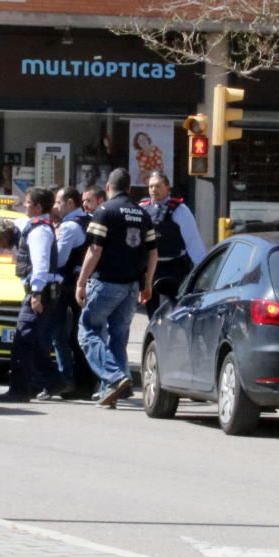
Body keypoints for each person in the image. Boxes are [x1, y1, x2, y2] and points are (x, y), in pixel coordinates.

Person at [76, 168, 157, 408]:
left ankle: (114, 378)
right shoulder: (143, 214)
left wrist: (81, 282)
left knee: (87, 330)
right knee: (118, 337)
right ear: (130, 189)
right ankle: (112, 391)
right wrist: (148, 282)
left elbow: (95, 250)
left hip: (107, 283)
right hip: (132, 286)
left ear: (109, 187)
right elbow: (153, 252)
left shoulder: (104, 211)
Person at [0, 187, 68, 403]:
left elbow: (41, 264)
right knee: (33, 341)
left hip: (41, 293)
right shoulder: (33, 227)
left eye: (27, 202)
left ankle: (20, 390)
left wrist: (36, 293)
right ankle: (54, 381)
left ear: (37, 207)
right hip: (41, 292)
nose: (23, 205)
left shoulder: (39, 231)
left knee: (23, 340)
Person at [46, 186, 96, 400]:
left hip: (67, 287)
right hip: (85, 284)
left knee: (58, 334)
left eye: (58, 202)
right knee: (81, 334)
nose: (55, 207)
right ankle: (85, 383)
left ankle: (65, 379)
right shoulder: (89, 220)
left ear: (69, 203)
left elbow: (60, 260)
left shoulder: (69, 227)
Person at [139, 171, 206, 318]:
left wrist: (202, 271)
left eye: (157, 186)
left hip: (174, 267)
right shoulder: (142, 209)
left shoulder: (180, 210)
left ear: (167, 187)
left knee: (175, 310)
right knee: (152, 311)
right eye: (150, 187)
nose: (153, 190)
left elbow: (193, 241)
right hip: (151, 267)